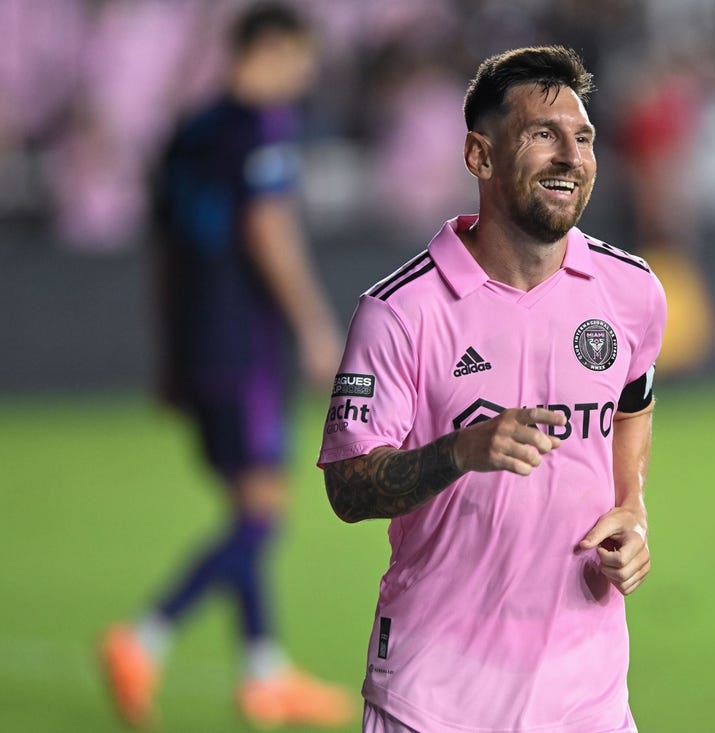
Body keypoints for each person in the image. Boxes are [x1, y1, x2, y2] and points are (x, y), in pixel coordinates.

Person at [318, 46, 667, 733]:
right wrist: (459, 451)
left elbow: (632, 407)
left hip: (587, 696)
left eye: (584, 137)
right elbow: (348, 488)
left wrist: (632, 507)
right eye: (543, 134)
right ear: (479, 156)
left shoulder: (632, 292)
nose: (571, 154)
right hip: (435, 695)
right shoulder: (400, 311)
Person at [99, 3, 352, 728]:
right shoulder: (262, 128)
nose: (305, 76)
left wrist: (170, 354)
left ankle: (263, 670)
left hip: (196, 342)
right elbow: (267, 229)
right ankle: (143, 635)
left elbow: (166, 248)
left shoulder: (190, 130)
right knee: (263, 515)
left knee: (248, 505)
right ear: (269, 49)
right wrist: (311, 325)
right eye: (300, 59)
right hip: (245, 343)